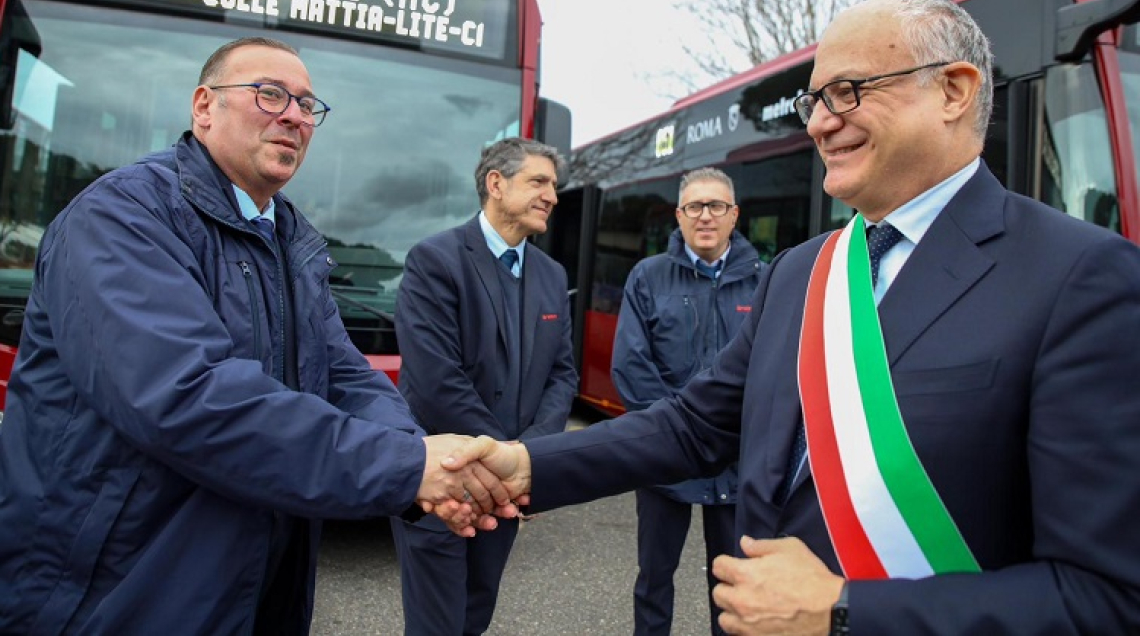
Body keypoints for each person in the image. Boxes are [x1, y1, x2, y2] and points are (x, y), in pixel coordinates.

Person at [448, 0, 1140, 635]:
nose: (818, 122)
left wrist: (846, 612)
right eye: (814, 100)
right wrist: (527, 466)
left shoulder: (1079, 278)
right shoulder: (803, 272)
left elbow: (1103, 598)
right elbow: (692, 427)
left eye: (846, 92)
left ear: (954, 91)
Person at [0, 37, 507, 635]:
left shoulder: (289, 237)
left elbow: (346, 376)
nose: (294, 115)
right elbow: (190, 396)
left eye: (307, 105)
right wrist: (407, 467)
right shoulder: (120, 217)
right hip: (116, 589)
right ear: (203, 107)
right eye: (270, 94)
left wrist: (426, 459)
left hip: (249, 583)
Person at [390, 137, 578, 635]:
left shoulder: (553, 275)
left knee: (475, 615)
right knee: (436, 625)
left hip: (507, 490)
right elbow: (435, 380)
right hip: (444, 483)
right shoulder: (435, 260)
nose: (552, 196)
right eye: (539, 181)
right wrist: (505, 460)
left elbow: (562, 375)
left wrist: (534, 458)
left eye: (554, 185)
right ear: (497, 183)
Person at [613, 166, 763, 636]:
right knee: (654, 578)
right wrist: (677, 435)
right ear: (678, 216)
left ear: (733, 215)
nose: (705, 216)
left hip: (738, 461)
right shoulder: (647, 277)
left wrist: (730, 436)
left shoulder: (766, 281)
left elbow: (777, 371)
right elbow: (631, 370)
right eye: (694, 206)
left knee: (734, 585)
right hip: (664, 460)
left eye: (716, 205)